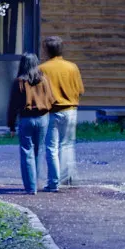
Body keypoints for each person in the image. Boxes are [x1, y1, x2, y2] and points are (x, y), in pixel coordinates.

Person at [35, 35, 85, 191]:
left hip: (50, 112)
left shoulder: (42, 69)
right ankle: (68, 178)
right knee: (68, 145)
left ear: (46, 50)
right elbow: (80, 90)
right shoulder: (72, 67)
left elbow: (38, 92)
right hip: (70, 110)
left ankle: (53, 182)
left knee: (51, 147)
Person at [11, 52, 51, 194]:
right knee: (39, 150)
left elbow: (13, 105)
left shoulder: (20, 81)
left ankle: (30, 187)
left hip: (26, 118)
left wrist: (11, 125)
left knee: (26, 151)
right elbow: (51, 99)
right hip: (43, 118)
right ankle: (36, 183)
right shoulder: (44, 80)